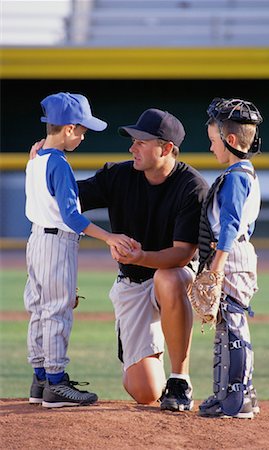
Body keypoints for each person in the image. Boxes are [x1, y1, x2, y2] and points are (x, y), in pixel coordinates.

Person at [77, 108, 209, 410]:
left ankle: (180, 379)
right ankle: (153, 360)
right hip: (133, 282)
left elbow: (181, 254)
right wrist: (42, 165)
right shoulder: (119, 175)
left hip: (174, 276)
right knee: (145, 392)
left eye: (141, 141)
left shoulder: (192, 187)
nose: (132, 147)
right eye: (133, 140)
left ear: (165, 148)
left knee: (168, 276)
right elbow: (67, 196)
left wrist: (141, 255)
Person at [24, 92, 134, 408]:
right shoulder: (57, 163)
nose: (84, 135)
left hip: (36, 241)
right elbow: (72, 216)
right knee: (57, 310)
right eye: (82, 129)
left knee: (39, 308)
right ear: (69, 128)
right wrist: (109, 237)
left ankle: (41, 379)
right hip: (57, 243)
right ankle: (56, 384)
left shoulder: (36, 158)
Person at [196, 97, 263, 419]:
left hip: (231, 254)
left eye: (213, 141)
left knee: (232, 325)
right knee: (227, 324)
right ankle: (232, 393)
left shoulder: (236, 176)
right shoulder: (241, 172)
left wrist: (217, 266)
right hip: (234, 252)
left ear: (231, 140)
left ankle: (236, 399)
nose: (211, 148)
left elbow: (231, 224)